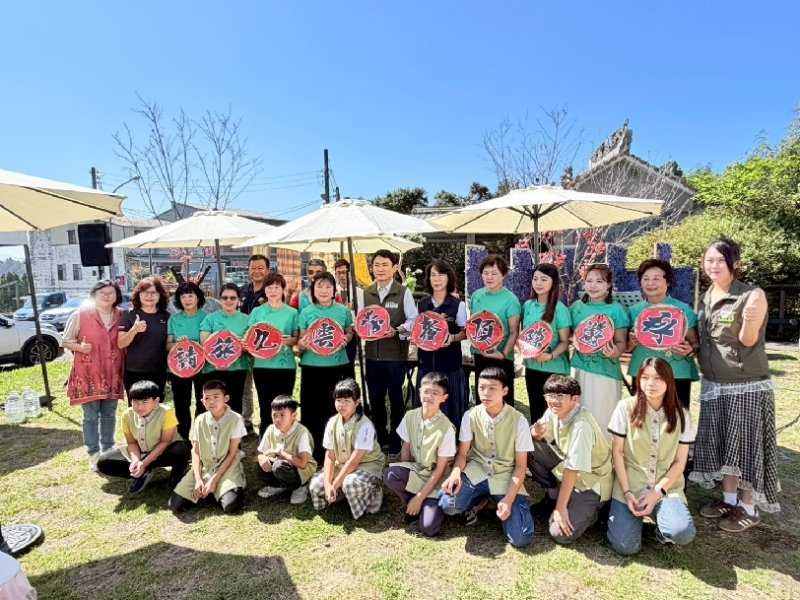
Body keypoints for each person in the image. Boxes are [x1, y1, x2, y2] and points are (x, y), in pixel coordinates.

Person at [691, 238, 780, 531]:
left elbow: (747, 340)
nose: (713, 266)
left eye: (720, 260)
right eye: (709, 261)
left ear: (735, 264)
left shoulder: (752, 295)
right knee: (724, 444)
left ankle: (749, 507)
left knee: (747, 447)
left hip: (746, 384)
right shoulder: (707, 297)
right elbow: (706, 340)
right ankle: (728, 498)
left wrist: (750, 322)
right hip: (714, 383)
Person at [606, 358, 696, 555]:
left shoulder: (683, 415)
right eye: (645, 377)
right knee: (625, 547)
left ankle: (662, 525)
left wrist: (657, 492)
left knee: (681, 533)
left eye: (658, 378)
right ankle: (628, 519)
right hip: (630, 485)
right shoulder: (625, 407)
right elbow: (617, 453)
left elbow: (680, 462)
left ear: (669, 381)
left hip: (666, 487)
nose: (650, 384)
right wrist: (628, 492)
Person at [438, 367, 534, 548]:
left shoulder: (519, 420)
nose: (485, 393)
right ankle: (479, 499)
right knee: (447, 503)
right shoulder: (470, 415)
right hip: (477, 471)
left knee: (521, 538)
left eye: (492, 389)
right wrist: (455, 473)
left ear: (505, 391)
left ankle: (498, 500)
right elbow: (462, 453)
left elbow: (521, 466)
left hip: (505, 476)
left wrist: (509, 498)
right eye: (481, 388)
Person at [528, 374, 613, 544]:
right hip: (568, 467)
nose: (554, 401)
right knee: (528, 446)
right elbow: (536, 434)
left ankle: (597, 510)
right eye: (550, 396)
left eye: (560, 396)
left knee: (559, 533)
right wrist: (534, 433)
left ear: (575, 399)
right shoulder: (554, 411)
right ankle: (553, 497)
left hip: (590, 484)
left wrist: (560, 509)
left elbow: (572, 469)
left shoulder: (582, 425)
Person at [63, 279, 126, 471]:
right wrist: (80, 347)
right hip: (88, 373)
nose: (106, 296)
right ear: (94, 295)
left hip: (112, 372)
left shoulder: (122, 315)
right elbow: (66, 341)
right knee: (90, 416)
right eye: (102, 293)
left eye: (111, 293)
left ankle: (107, 451)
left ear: (117, 296)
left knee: (109, 413)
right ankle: (93, 453)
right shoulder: (80, 314)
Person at [383, 372, 456, 536]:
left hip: (437, 480)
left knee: (428, 528)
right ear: (419, 391)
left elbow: (440, 471)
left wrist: (420, 497)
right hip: (417, 470)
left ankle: (428, 504)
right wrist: (406, 472)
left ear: (444, 398)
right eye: (426, 391)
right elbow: (406, 450)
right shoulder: (410, 416)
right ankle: (412, 502)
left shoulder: (447, 428)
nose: (429, 396)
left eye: (435, 393)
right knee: (391, 474)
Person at [363, 249, 418, 455]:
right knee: (375, 400)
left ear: (395, 268)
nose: (380, 269)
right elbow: (360, 321)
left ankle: (396, 438)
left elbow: (413, 320)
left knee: (396, 399)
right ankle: (380, 436)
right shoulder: (366, 293)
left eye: (385, 265)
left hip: (395, 356)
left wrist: (396, 330)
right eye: (376, 265)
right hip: (371, 356)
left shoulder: (404, 292)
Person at [308, 379, 386, 519]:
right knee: (315, 486)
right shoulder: (332, 422)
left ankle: (374, 490)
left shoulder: (364, 425)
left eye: (347, 400)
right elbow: (330, 456)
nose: (341, 405)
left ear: (357, 403)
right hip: (342, 465)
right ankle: (342, 493)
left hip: (366, 466)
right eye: (338, 400)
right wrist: (327, 484)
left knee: (349, 484)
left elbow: (355, 461)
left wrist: (335, 483)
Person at [297, 272, 354, 463]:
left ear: (334, 290)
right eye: (319, 286)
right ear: (312, 290)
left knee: (337, 408)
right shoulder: (305, 312)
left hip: (338, 366)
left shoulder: (343, 311)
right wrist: (302, 344)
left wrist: (347, 337)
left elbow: (348, 332)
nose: (323, 290)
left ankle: (338, 451)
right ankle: (314, 453)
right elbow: (301, 340)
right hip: (312, 366)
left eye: (328, 286)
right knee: (312, 410)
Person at [96, 380, 190, 494]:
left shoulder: (166, 413)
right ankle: (143, 472)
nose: (139, 407)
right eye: (135, 401)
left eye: (145, 401)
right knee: (103, 462)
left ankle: (176, 475)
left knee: (182, 449)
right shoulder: (127, 415)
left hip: (164, 453)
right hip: (141, 452)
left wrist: (144, 463)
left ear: (156, 401)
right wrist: (135, 461)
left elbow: (165, 441)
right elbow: (131, 443)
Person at [628, 259, 700, 408]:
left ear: (668, 282)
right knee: (641, 420)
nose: (650, 283)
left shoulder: (683, 309)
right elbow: (625, 347)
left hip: (676, 373)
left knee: (676, 422)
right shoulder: (633, 311)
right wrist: (631, 343)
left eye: (656, 278)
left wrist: (690, 350)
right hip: (642, 373)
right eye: (645, 279)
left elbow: (696, 344)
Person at [569, 263, 630, 438]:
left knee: (603, 419)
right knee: (577, 416)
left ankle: (604, 461)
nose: (593, 285)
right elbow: (567, 336)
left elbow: (621, 342)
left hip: (606, 372)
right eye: (589, 281)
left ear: (609, 285)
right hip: (578, 369)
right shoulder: (576, 308)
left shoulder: (616, 310)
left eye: (599, 281)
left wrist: (615, 352)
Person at [169, 379, 246, 514]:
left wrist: (214, 480)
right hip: (204, 468)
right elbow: (196, 452)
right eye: (207, 398)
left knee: (231, 505)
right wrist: (198, 479)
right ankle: (207, 490)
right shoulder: (200, 420)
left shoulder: (236, 419)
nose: (211, 401)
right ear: (202, 401)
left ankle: (220, 487)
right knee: (175, 505)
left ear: (226, 398)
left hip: (226, 468)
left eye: (216, 397)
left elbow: (233, 453)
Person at [415, 259, 469, 428]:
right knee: (426, 409)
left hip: (450, 366)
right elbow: (417, 330)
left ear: (448, 278)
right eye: (433, 275)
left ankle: (452, 445)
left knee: (450, 409)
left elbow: (466, 332)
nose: (436, 279)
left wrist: (452, 338)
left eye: (441, 275)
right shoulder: (422, 304)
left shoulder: (458, 305)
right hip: (426, 364)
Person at [247, 273, 299, 437]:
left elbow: (296, 337)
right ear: (265, 290)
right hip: (262, 366)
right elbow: (250, 337)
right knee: (265, 405)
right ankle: (266, 443)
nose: (273, 291)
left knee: (284, 405)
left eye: (277, 287)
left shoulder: (291, 313)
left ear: (283, 290)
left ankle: (286, 440)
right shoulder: (257, 312)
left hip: (285, 365)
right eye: (269, 287)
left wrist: (289, 340)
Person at [521, 263, 572, 422]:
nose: (538, 283)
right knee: (536, 414)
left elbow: (565, 342)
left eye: (544, 279)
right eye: (535, 279)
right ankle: (538, 447)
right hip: (532, 368)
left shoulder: (560, 309)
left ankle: (555, 447)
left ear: (553, 283)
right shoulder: (528, 306)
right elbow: (525, 336)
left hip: (554, 370)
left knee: (555, 417)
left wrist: (549, 356)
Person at [469, 255, 521, 408]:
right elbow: (473, 325)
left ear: (503, 275)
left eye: (494, 273)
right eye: (486, 273)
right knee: (483, 398)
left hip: (501, 358)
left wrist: (503, 353)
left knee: (503, 401)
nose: (489, 277)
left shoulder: (510, 300)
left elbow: (514, 332)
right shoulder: (476, 296)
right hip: (480, 355)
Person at [253, 396, 317, 505]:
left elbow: (303, 464)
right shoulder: (270, 429)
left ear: (293, 416)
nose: (277, 419)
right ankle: (279, 485)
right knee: (257, 467)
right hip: (281, 466)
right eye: (274, 415)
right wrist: (261, 457)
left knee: (279, 466)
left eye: (282, 415)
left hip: (300, 469)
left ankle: (301, 486)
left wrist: (280, 453)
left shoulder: (302, 433)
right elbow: (257, 454)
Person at [199, 283, 250, 416]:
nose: (228, 301)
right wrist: (230, 338)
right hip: (212, 369)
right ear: (220, 299)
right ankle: (212, 435)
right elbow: (205, 344)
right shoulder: (210, 318)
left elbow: (250, 346)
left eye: (233, 298)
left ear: (239, 300)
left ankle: (234, 435)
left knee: (235, 404)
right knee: (213, 405)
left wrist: (244, 346)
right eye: (225, 297)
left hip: (237, 368)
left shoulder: (247, 320)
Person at [166, 281, 208, 440]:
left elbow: (211, 344)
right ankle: (183, 440)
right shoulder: (174, 319)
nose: (187, 299)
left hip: (203, 368)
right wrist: (177, 344)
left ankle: (201, 439)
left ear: (198, 298)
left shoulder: (207, 318)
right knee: (181, 405)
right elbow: (167, 345)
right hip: (179, 368)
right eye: (183, 296)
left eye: (191, 295)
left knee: (203, 402)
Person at [117, 276, 170, 402]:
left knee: (156, 410)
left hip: (158, 371)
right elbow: (121, 343)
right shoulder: (129, 315)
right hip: (134, 371)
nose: (149, 296)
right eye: (145, 292)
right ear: (138, 294)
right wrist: (134, 330)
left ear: (160, 295)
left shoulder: (166, 317)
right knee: (137, 411)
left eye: (153, 292)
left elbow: (168, 344)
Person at [239, 254, 271, 435]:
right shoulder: (242, 291)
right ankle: (246, 420)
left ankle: (267, 420)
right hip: (243, 346)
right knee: (245, 386)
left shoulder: (272, 292)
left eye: (261, 268)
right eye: (253, 268)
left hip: (264, 347)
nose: (257, 271)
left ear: (267, 270)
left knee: (264, 385)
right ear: (248, 270)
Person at [334, 257, 362, 376]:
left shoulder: (358, 291)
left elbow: (362, 312)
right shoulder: (332, 291)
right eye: (338, 273)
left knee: (349, 365)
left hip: (351, 332)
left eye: (344, 272)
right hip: (334, 333)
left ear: (349, 272)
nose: (341, 275)